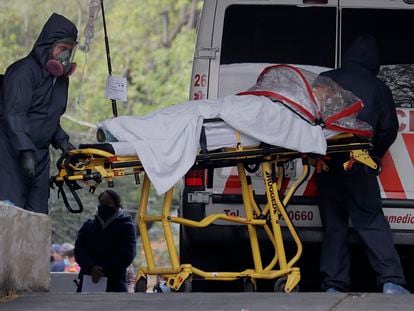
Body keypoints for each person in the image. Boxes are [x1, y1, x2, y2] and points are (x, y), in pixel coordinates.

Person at [317, 34, 409, 294]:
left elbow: (310, 116)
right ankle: (392, 281)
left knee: (334, 226)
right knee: (370, 220)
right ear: (374, 61)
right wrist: (373, 153)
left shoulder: (325, 78)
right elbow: (389, 128)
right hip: (357, 162)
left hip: (325, 162)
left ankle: (333, 286)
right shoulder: (377, 87)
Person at [0, 13, 78, 214]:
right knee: (11, 215)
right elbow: (15, 114)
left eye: (69, 51)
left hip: (40, 157)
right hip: (10, 155)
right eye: (62, 49)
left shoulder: (61, 81)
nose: (65, 56)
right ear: (47, 45)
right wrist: (25, 151)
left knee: (38, 216)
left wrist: (63, 142)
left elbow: (49, 117)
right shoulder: (22, 72)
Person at [74, 190, 137, 292]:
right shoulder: (88, 226)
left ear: (116, 206)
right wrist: (91, 267)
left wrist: (103, 270)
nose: (103, 206)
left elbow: (127, 254)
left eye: (108, 203)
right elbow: (79, 250)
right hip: (88, 281)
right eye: (101, 202)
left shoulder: (126, 227)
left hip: (115, 283)